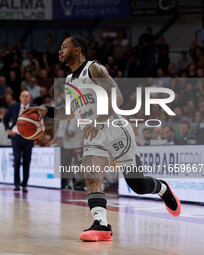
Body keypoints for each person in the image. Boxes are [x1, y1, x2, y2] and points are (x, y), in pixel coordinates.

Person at [24, 35, 181, 242]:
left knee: (138, 185)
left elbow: (118, 98)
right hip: (93, 136)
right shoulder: (69, 80)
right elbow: (70, 111)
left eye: (64, 47)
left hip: (115, 130)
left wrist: (97, 120)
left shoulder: (94, 68)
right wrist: (47, 110)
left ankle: (161, 187)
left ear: (77, 50)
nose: (59, 51)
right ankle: (102, 225)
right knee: (91, 178)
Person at [3, 90, 34, 192]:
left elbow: (41, 121)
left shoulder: (34, 108)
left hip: (28, 138)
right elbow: (5, 118)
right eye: (23, 96)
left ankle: (24, 184)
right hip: (16, 136)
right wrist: (8, 129)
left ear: (29, 98)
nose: (25, 98)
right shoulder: (15, 106)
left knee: (27, 161)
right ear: (20, 97)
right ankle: (16, 184)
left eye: (27, 96)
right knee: (16, 160)